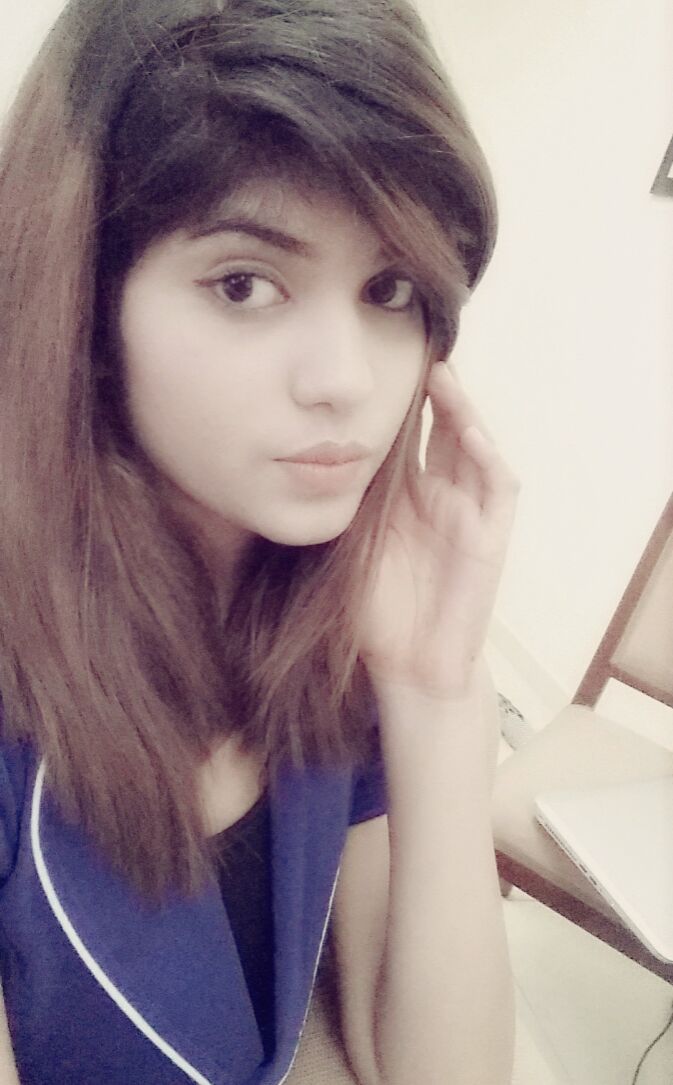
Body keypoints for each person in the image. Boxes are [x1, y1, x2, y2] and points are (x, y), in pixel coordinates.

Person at [0, 0, 520, 1082]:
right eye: (245, 284)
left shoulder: (339, 617)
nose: (346, 379)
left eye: (389, 289)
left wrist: (432, 692)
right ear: (84, 304)